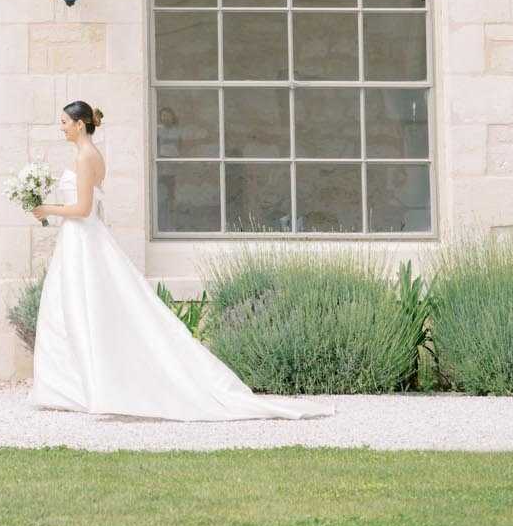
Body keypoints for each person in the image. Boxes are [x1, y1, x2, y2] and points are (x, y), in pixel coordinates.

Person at [26, 100, 329, 422]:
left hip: (83, 239)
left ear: (79, 124)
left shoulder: (87, 157)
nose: (60, 128)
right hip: (79, 240)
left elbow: (83, 209)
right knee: (72, 307)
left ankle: (92, 384)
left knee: (85, 306)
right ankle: (71, 384)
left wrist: (48, 209)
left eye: (63, 122)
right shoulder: (88, 155)